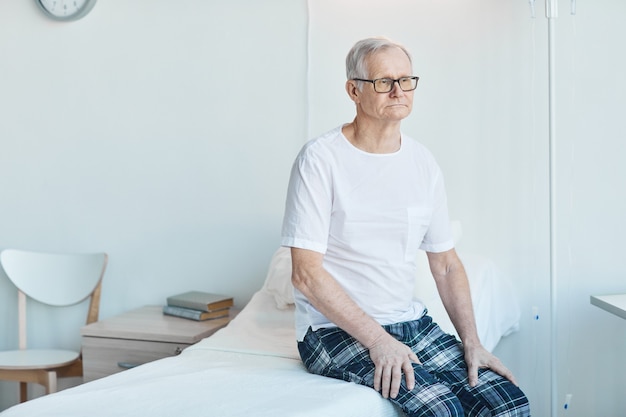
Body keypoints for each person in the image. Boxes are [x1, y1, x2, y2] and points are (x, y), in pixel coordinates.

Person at [280, 37, 530, 417]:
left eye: (406, 80)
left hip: (410, 322)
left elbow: (445, 264)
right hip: (331, 332)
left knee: (507, 403)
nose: (398, 90)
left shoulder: (422, 162)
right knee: (442, 409)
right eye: (384, 81)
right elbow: (306, 275)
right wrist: (378, 341)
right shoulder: (320, 159)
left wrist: (473, 342)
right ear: (354, 90)